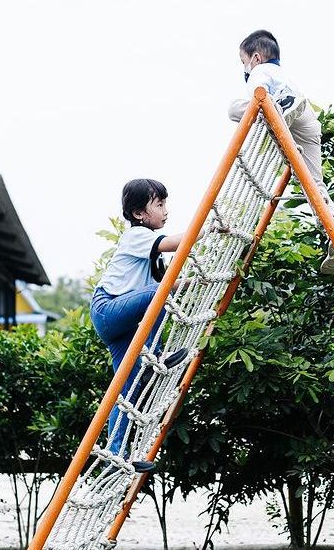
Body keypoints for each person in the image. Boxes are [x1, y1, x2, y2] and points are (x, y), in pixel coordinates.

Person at [90, 178, 189, 472]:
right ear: (139, 214)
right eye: (159, 205)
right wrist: (205, 229)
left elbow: (164, 285)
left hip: (122, 323)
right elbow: (173, 245)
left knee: (126, 388)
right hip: (108, 308)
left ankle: (116, 454)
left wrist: (195, 281)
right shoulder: (137, 236)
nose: (166, 210)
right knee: (159, 295)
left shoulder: (149, 252)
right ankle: (156, 354)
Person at [228, 29, 334, 275]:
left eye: (243, 61)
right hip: (309, 121)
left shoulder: (259, 71)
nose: (244, 68)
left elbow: (259, 92)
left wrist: (264, 103)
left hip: (287, 109)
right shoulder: (283, 74)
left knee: (235, 109)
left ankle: (280, 109)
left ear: (256, 57)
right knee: (314, 185)